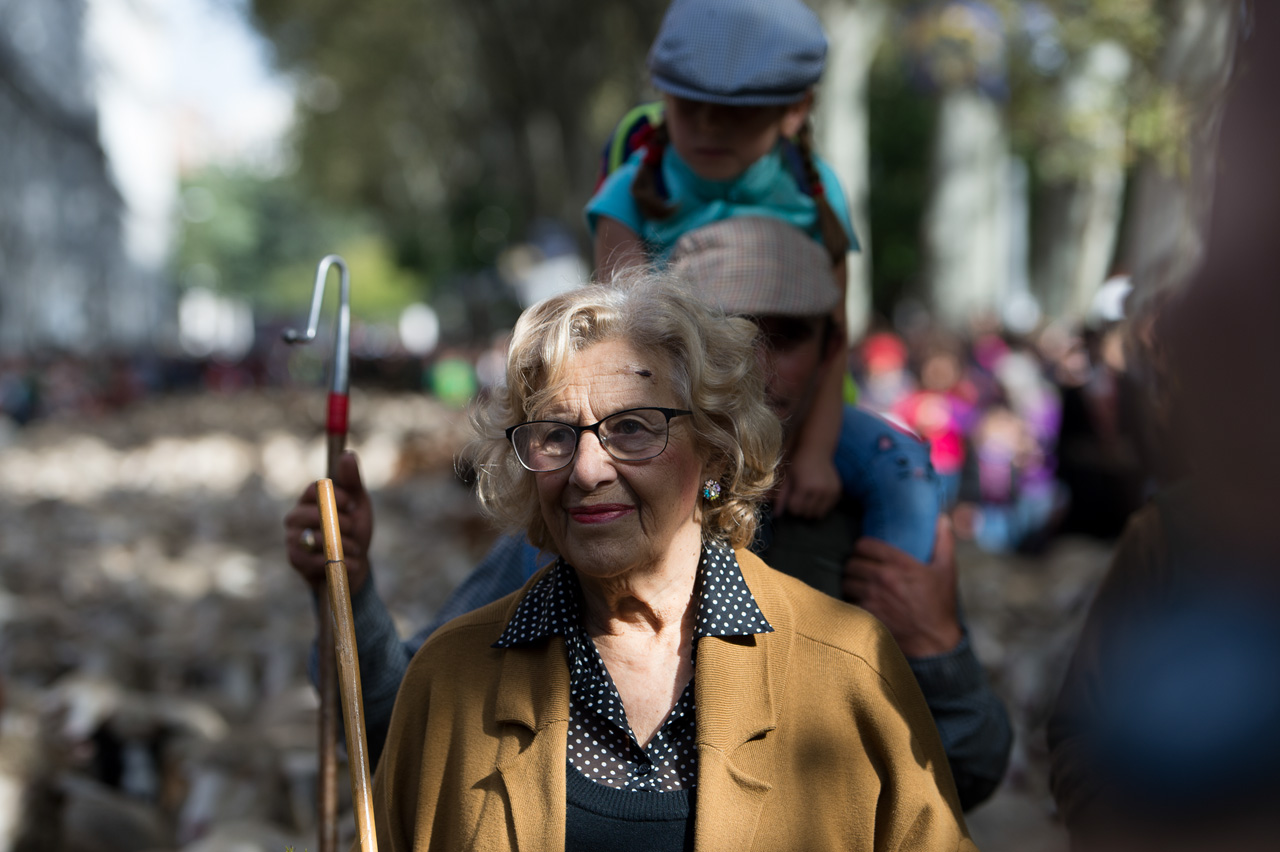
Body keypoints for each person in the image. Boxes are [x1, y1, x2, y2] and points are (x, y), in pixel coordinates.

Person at [285, 219, 1013, 811]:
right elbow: (397, 728)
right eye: (733, 331)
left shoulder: (876, 552)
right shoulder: (564, 546)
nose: (756, 363)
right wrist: (344, 591)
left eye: (783, 338)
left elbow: (955, 782)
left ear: (831, 349)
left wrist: (936, 651)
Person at [586, 0, 856, 520]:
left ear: (794, 110)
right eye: (690, 106)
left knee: (904, 471)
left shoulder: (817, 192)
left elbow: (835, 339)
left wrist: (818, 452)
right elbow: (619, 349)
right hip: (686, 426)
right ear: (663, 96)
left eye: (736, 111)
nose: (709, 125)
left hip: (813, 415)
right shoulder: (629, 195)